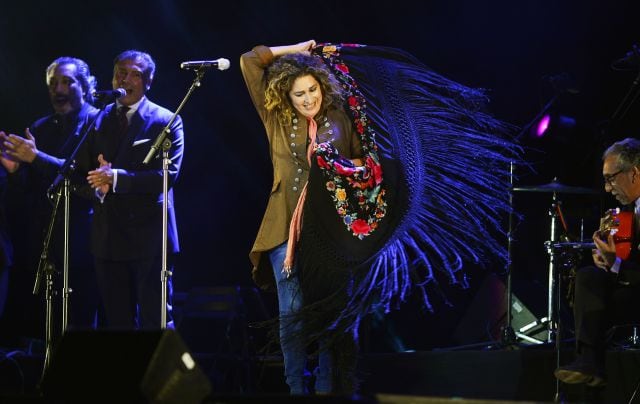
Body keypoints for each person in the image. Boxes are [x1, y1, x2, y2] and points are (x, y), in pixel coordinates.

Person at [240, 40, 364, 394]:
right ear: (287, 96)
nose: (309, 99)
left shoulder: (340, 118)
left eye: (312, 90)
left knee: (330, 311)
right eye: (299, 94)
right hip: (284, 229)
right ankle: (296, 386)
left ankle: (327, 386)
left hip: (330, 231)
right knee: (292, 312)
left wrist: (348, 168)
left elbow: (362, 163)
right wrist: (297, 50)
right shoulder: (275, 116)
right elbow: (249, 61)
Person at [0, 56, 101, 336]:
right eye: (53, 83)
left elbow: (85, 179)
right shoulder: (41, 127)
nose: (59, 89)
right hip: (47, 245)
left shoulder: (99, 123)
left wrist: (36, 157)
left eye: (67, 81)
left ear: (85, 85)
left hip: (85, 244)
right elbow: (28, 193)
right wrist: (15, 172)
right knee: (49, 328)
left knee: (81, 326)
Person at [83, 50, 184, 329]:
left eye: (134, 74)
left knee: (156, 322)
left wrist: (115, 177)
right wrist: (97, 185)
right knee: (118, 324)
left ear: (148, 81)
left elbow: (168, 176)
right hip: (108, 238)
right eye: (120, 72)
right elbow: (80, 172)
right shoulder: (97, 119)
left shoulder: (166, 120)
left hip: (150, 237)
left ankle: (161, 374)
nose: (125, 79)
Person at [555, 137, 640, 387]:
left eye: (610, 178)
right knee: (589, 276)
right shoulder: (628, 213)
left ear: (634, 173)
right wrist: (609, 261)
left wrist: (616, 263)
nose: (607, 188)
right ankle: (589, 362)